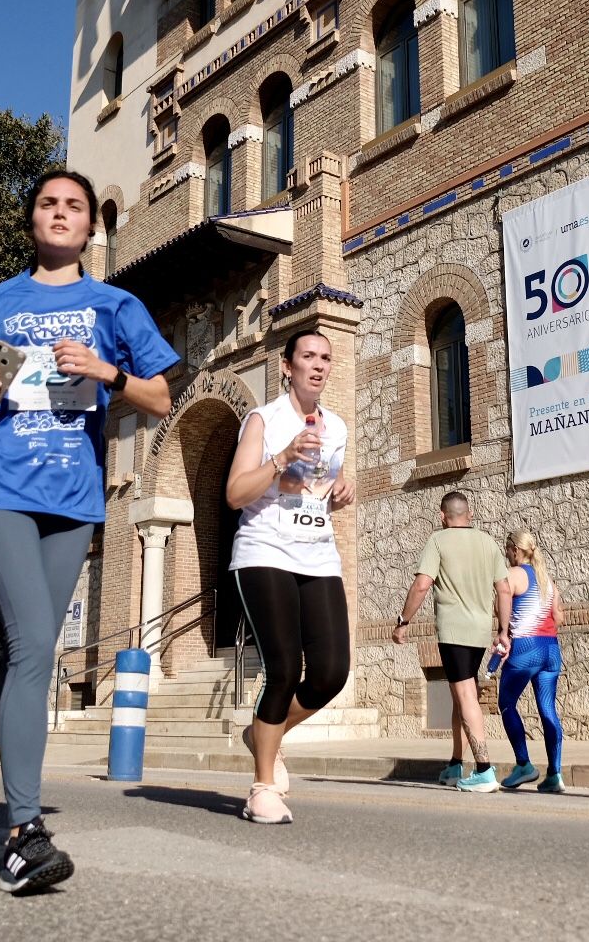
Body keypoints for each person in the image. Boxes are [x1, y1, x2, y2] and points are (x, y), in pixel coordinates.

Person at [0, 168, 177, 894]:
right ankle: (24, 833)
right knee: (36, 643)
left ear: (88, 225)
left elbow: (161, 397)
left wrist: (107, 372)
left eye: (73, 205)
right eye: (48, 203)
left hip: (72, 500)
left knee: (25, 650)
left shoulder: (115, 304)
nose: (61, 213)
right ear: (33, 219)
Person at [225, 328, 355, 825]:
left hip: (318, 554)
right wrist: (280, 458)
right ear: (287, 365)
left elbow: (320, 483)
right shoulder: (264, 420)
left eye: (325, 357)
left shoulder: (337, 427)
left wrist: (339, 490)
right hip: (265, 550)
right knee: (283, 669)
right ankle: (262, 786)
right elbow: (236, 493)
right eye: (308, 357)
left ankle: (263, 733)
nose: (318, 365)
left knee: (330, 673)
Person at [392, 491, 505, 792]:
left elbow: (421, 585)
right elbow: (504, 589)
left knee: (466, 694)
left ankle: (484, 770)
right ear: (469, 514)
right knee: (460, 694)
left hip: (454, 631)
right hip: (480, 632)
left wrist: (403, 622)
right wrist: (504, 630)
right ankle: (456, 763)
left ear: (442, 516)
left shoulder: (438, 541)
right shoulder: (488, 542)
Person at [492, 531, 565, 793]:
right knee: (548, 710)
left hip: (525, 648)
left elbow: (501, 600)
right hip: (551, 650)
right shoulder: (547, 579)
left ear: (514, 550)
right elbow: (558, 617)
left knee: (506, 703)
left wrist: (503, 632)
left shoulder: (513, 575)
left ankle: (523, 764)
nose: (506, 554)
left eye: (507, 550)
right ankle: (555, 774)